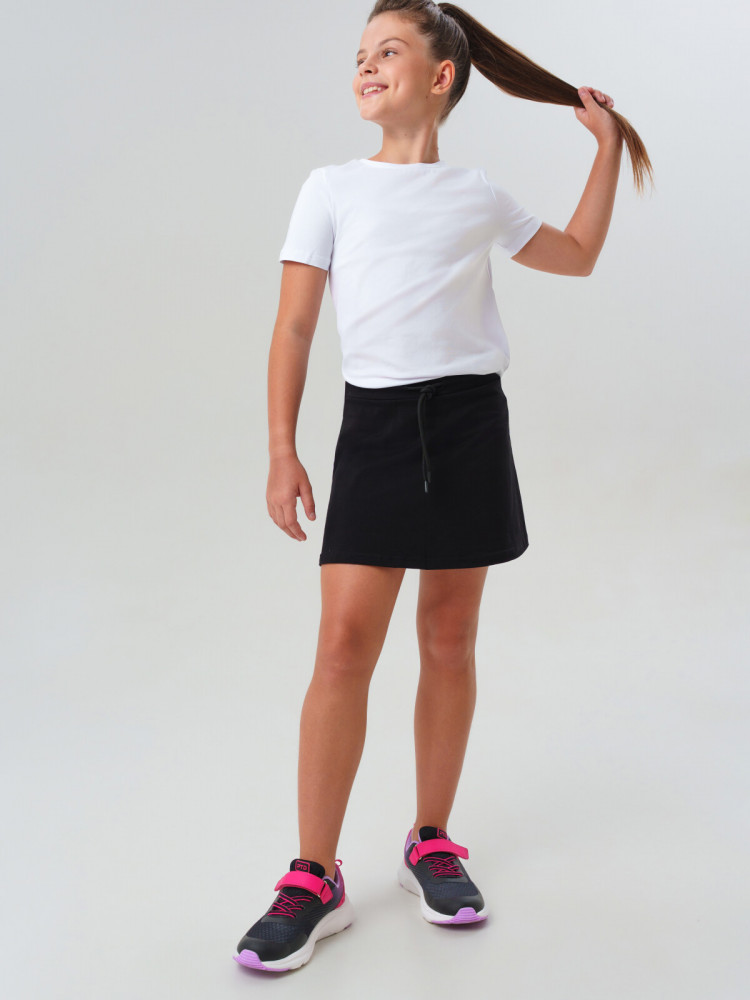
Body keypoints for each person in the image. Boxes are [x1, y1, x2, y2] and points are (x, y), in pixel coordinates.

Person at [234, 0, 652, 974]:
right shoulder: (331, 188)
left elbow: (578, 256)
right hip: (376, 430)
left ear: (440, 76)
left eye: (388, 51)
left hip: (467, 425)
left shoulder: (476, 194)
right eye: (359, 54)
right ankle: (313, 876)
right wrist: (282, 448)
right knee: (344, 644)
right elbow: (294, 326)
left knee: (449, 639)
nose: (366, 66)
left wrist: (604, 149)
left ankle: (430, 842)